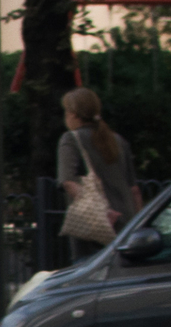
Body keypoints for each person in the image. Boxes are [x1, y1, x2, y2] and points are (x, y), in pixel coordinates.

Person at [58, 87, 142, 231]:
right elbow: (134, 189)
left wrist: (102, 210)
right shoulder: (118, 140)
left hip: (95, 222)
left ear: (73, 114)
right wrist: (140, 223)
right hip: (127, 221)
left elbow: (68, 182)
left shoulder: (71, 139)